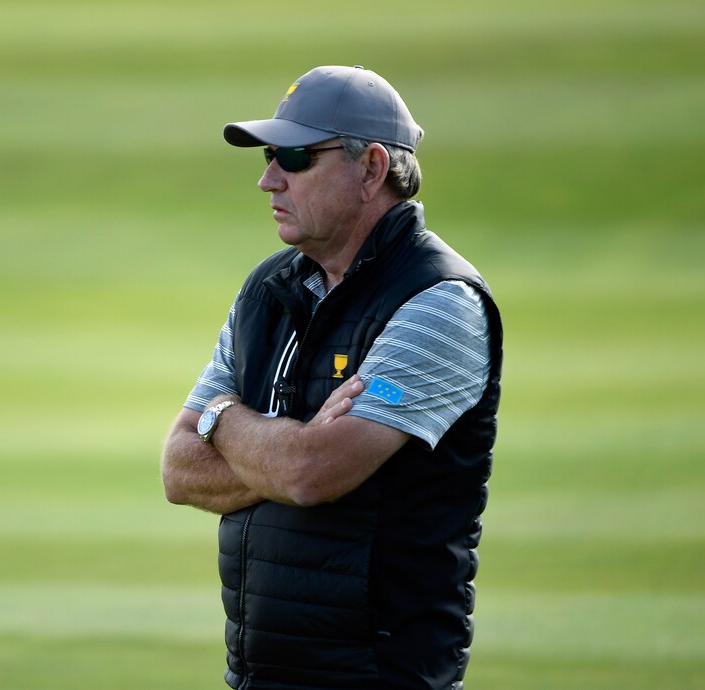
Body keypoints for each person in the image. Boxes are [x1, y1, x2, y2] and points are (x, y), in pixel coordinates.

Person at [161, 65, 503, 690]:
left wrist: (225, 420)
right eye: (269, 156)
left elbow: (311, 474)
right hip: (259, 675)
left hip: (378, 676)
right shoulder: (269, 290)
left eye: (294, 156)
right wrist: (284, 447)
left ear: (372, 169)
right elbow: (179, 470)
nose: (268, 180)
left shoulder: (438, 302)